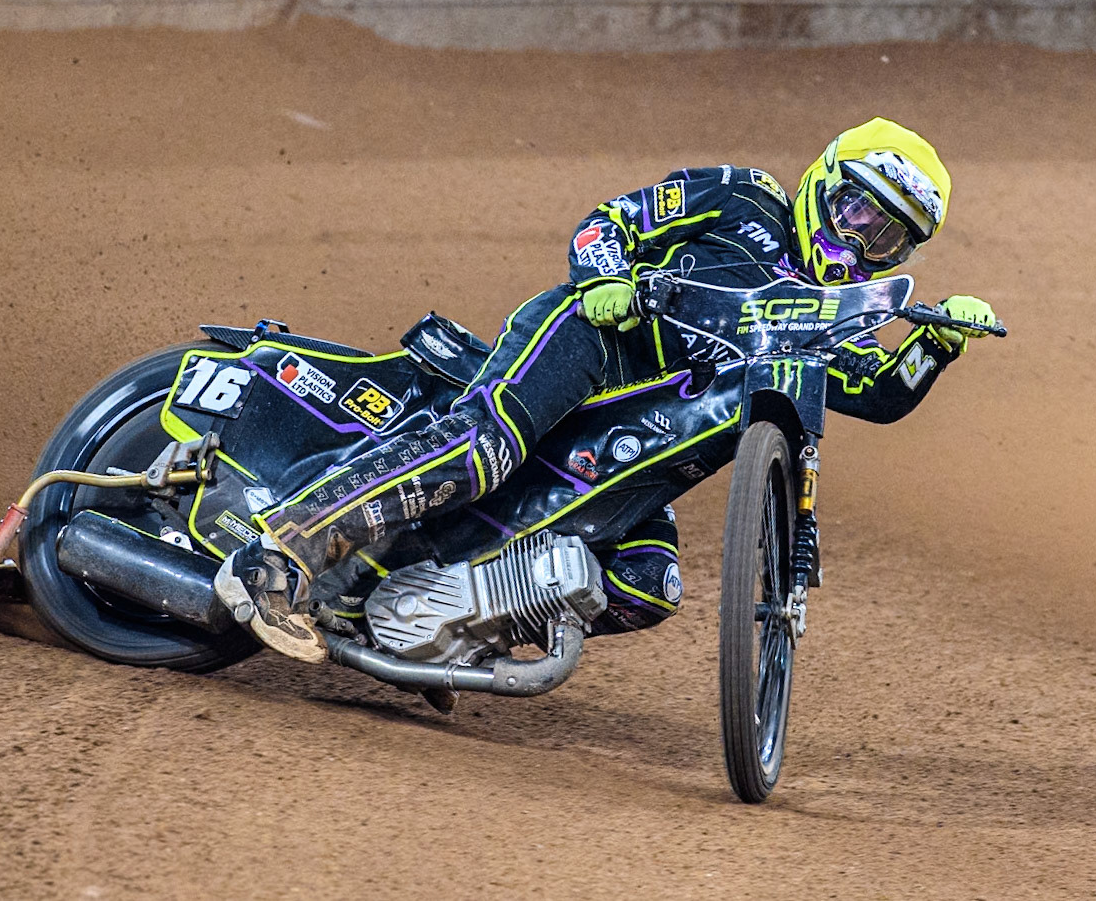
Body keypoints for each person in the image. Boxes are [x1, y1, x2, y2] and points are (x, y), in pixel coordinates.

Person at [215, 117, 999, 662]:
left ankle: (439, 620)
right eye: (857, 208)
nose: (862, 239)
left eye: (889, 236)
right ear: (825, 180)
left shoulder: (834, 324)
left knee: (646, 584)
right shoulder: (743, 196)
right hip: (588, 346)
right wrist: (603, 280)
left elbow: (877, 392)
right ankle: (276, 554)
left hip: (635, 443)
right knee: (483, 447)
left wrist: (934, 345)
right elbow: (609, 221)